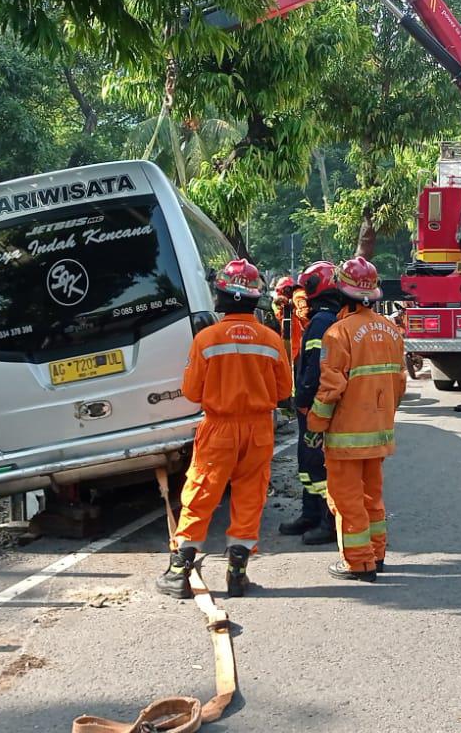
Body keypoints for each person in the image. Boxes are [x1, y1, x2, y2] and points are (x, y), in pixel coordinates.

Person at [156, 258, 293, 600]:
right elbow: (283, 392)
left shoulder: (207, 339)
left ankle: (178, 574)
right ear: (253, 298)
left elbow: (191, 392)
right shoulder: (271, 340)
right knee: (249, 499)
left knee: (201, 494)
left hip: (219, 428)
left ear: (223, 296)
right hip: (259, 429)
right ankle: (237, 574)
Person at [305, 257, 407, 582]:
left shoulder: (337, 334)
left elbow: (331, 387)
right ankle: (377, 555)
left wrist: (315, 427)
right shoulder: (392, 330)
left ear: (341, 290)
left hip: (346, 437)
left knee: (347, 501)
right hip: (378, 434)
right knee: (372, 497)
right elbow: (400, 383)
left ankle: (359, 563)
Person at [279, 261, 340, 545]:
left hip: (314, 406)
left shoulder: (320, 323)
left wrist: (300, 398)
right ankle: (311, 513)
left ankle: (327, 519)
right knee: (309, 464)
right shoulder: (329, 318)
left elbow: (314, 368)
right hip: (317, 405)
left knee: (316, 464)